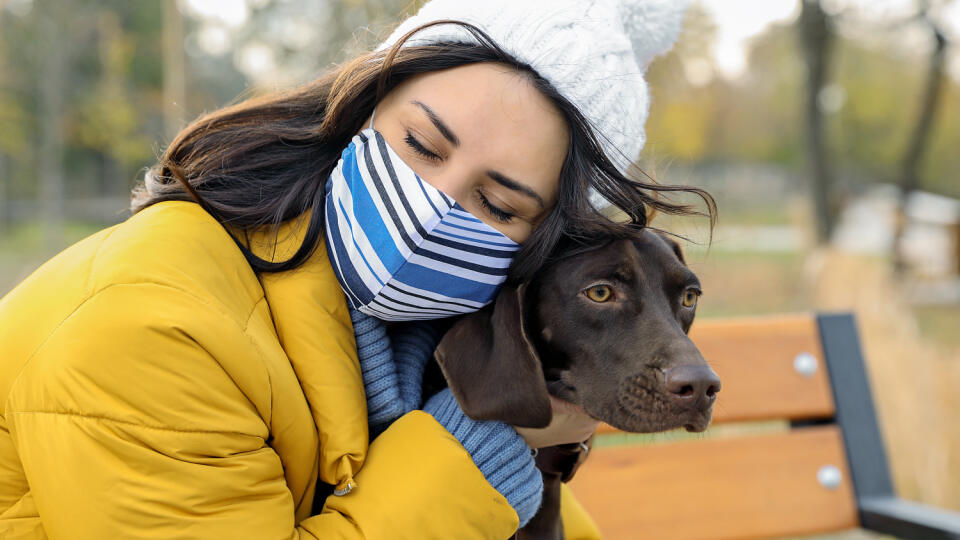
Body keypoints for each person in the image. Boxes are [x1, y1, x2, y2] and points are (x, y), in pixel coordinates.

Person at [0, 0, 709, 538]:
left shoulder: (426, 324)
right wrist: (489, 444)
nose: (434, 205)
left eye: (496, 203)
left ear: (537, 245)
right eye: (421, 146)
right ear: (361, 109)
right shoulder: (148, 328)